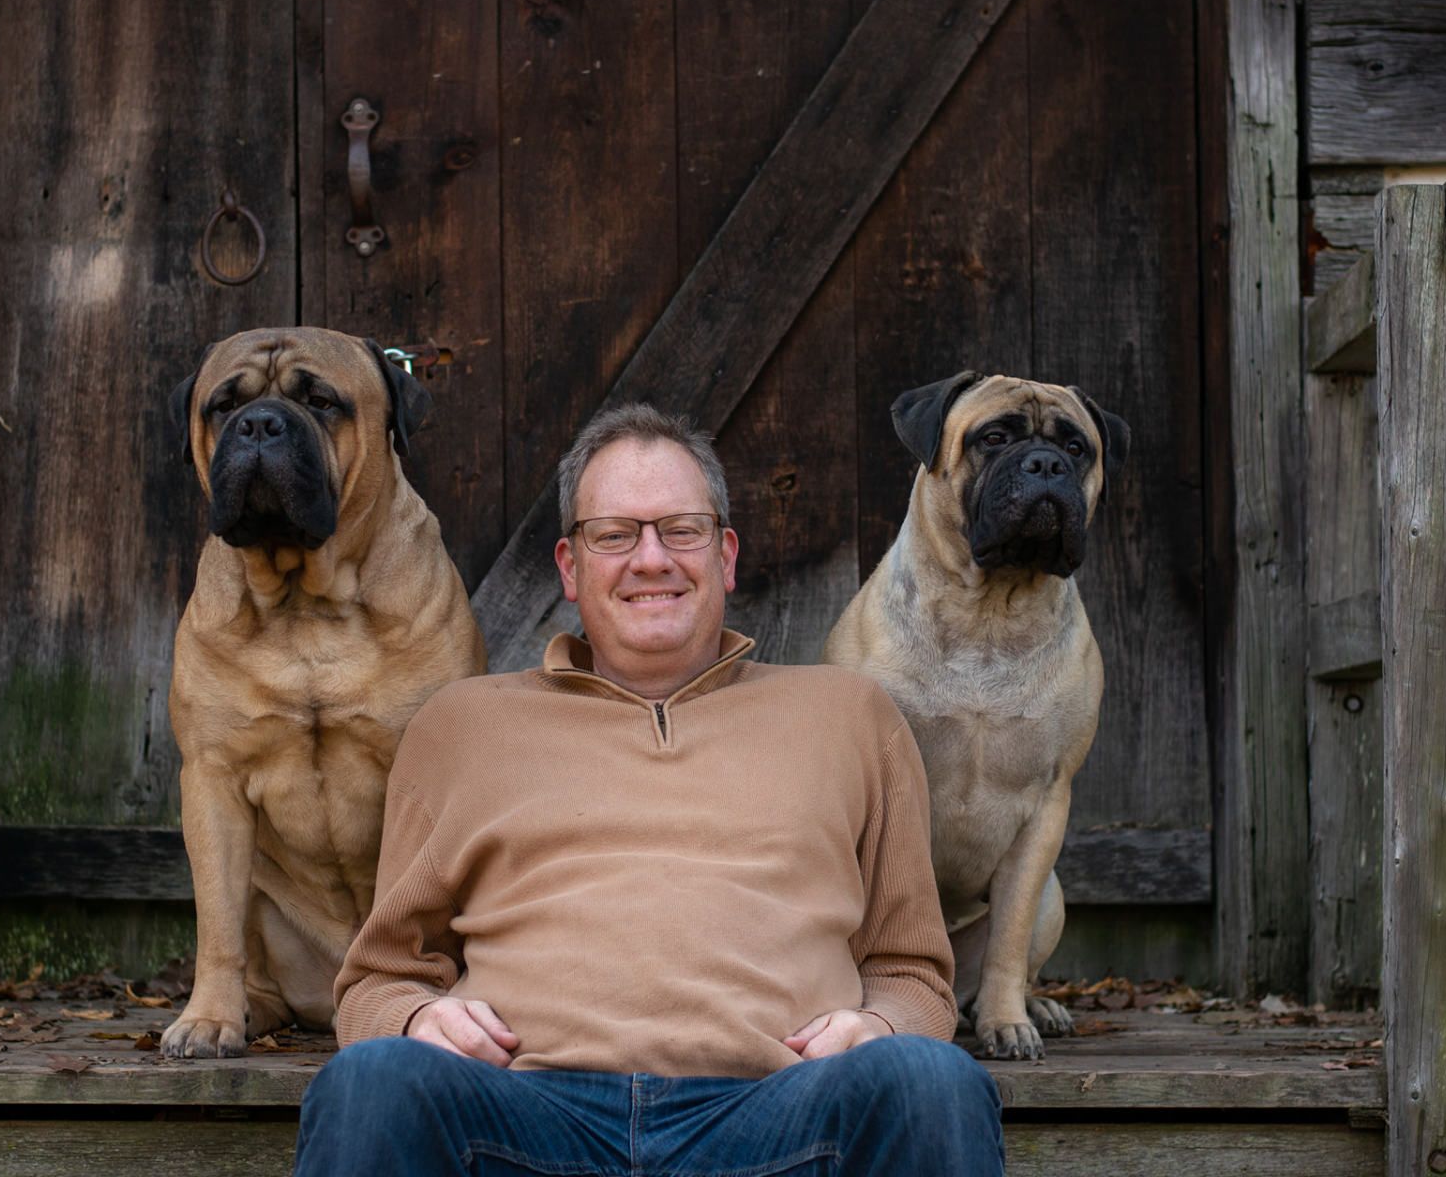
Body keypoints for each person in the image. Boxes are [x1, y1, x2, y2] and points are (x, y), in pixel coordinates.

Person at [294, 405, 1003, 1176]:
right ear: (571, 566)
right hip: (526, 1115)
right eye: (615, 534)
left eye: (682, 529)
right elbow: (377, 981)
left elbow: (913, 977)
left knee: (932, 1079)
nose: (651, 558)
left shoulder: (852, 716)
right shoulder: (460, 726)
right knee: (371, 1082)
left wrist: (883, 1029)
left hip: (778, 1114)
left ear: (726, 555)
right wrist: (415, 1017)